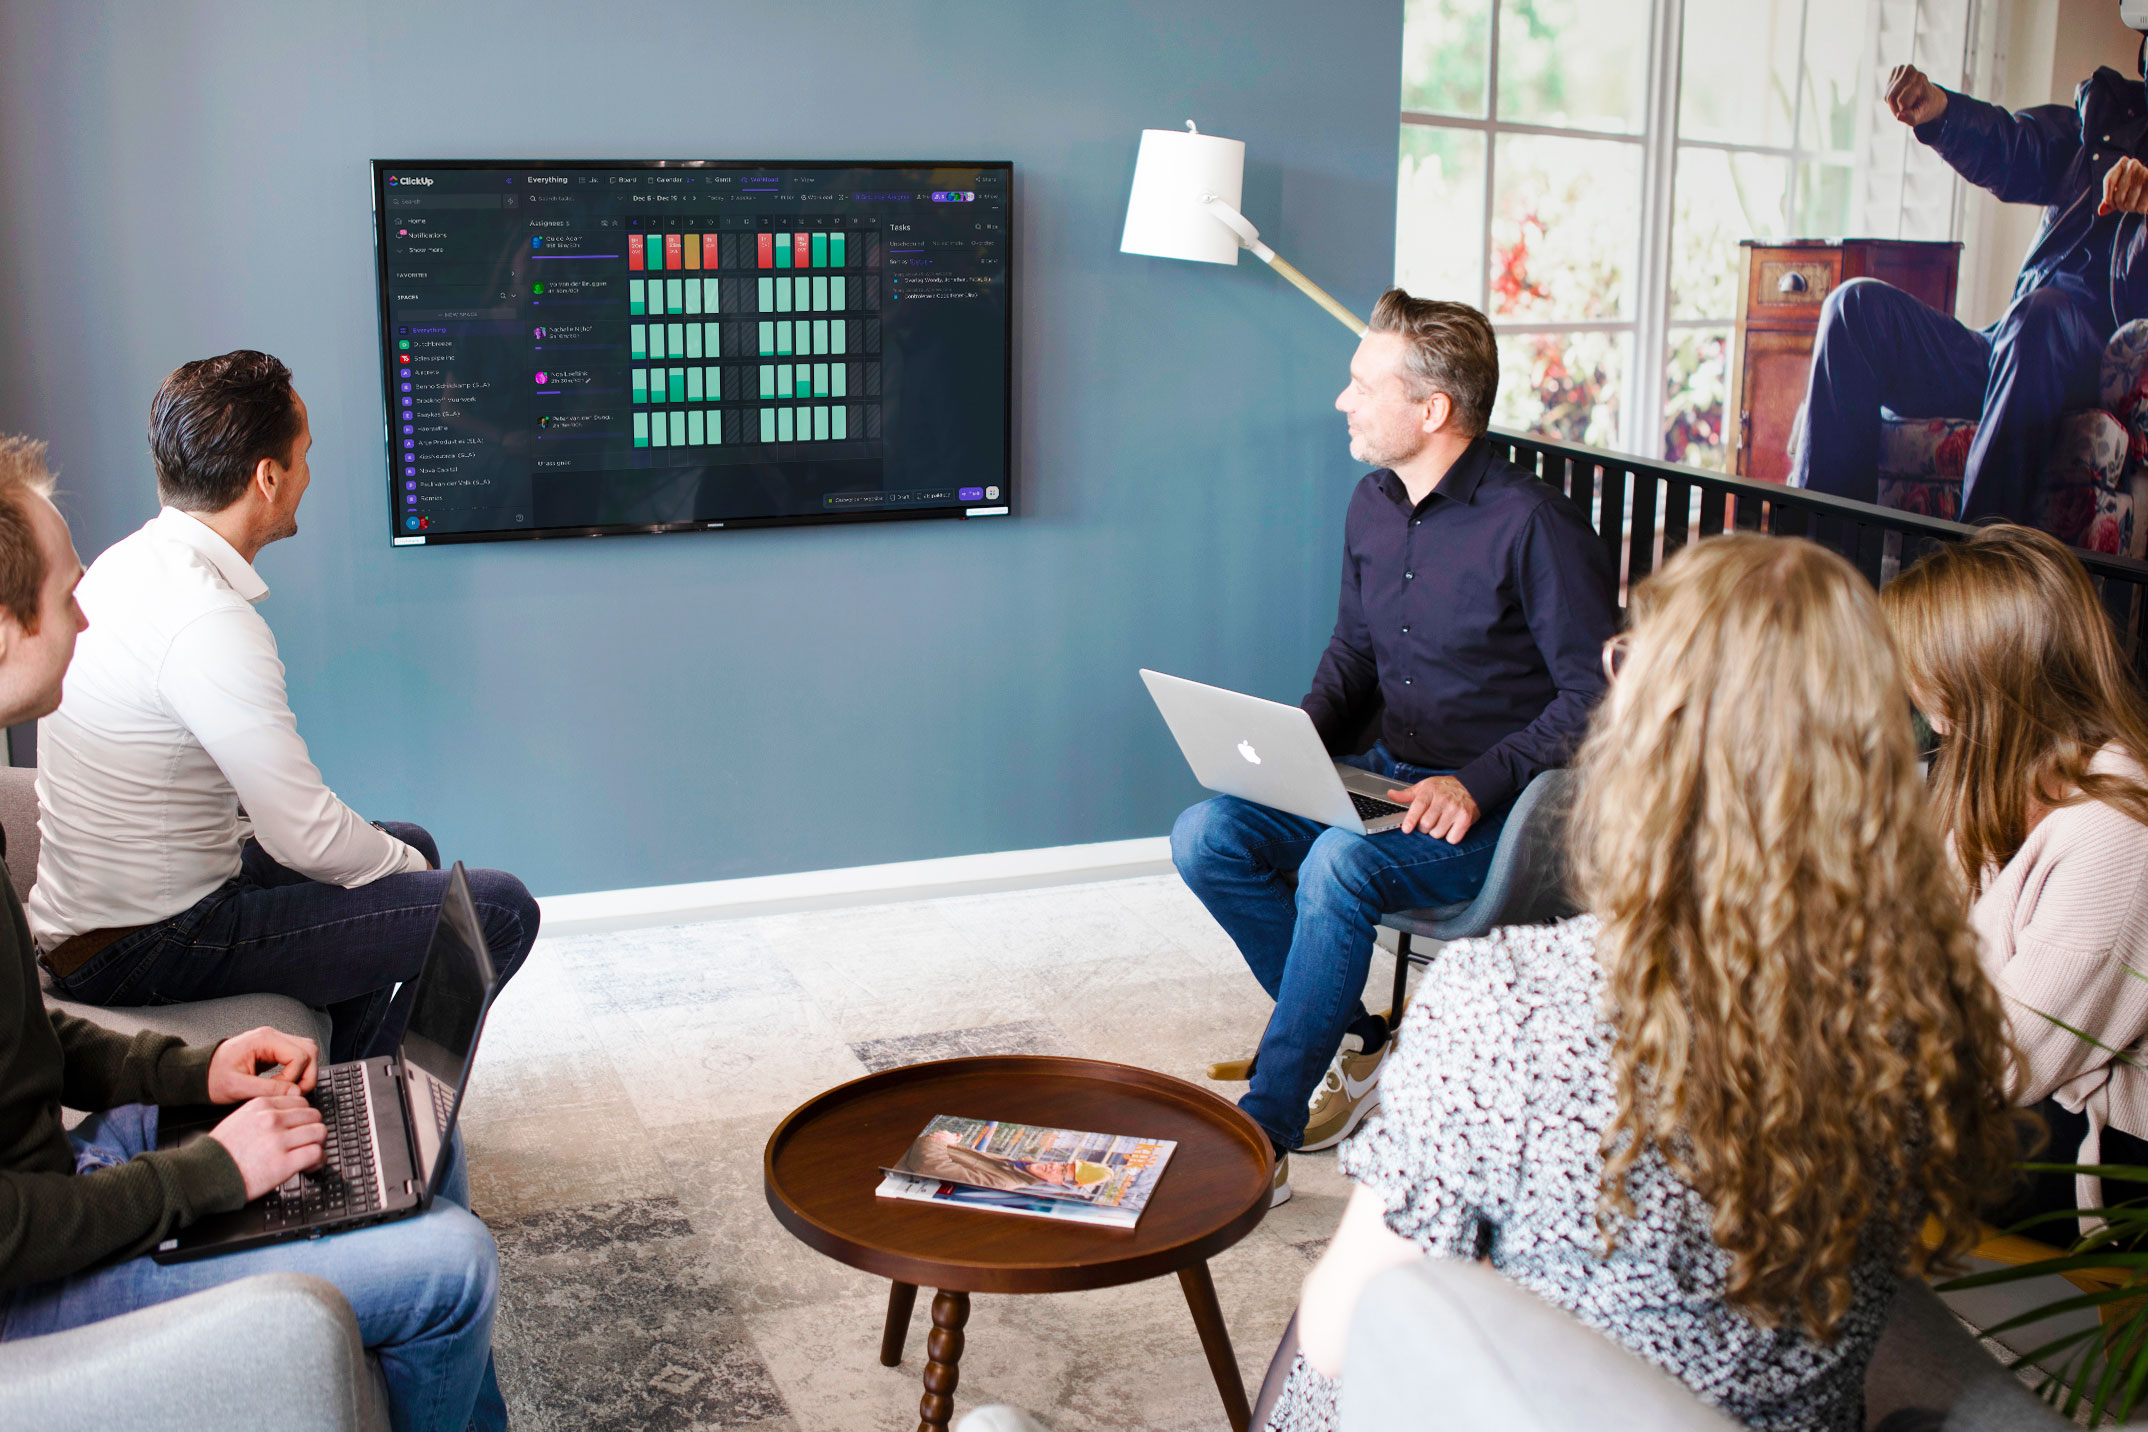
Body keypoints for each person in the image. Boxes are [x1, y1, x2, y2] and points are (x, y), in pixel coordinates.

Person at [1263, 534, 2018, 1432]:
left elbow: (1346, 1333)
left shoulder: (1512, 1003)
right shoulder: (1927, 1007)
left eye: (1626, 660)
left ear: (1652, 735)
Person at [0, 434, 505, 1432]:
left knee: (406, 1139)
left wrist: (197, 1071)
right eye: (64, 595)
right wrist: (211, 1169)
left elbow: (30, 1037)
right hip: (36, 1277)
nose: (85, 614)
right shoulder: (200, 617)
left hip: (65, 1177)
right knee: (458, 1263)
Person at [1170, 292, 1617, 1193]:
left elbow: (1596, 692)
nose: (1343, 400)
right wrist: (1293, 747)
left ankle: (1267, 1129)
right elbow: (1355, 656)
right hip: (1388, 780)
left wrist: (1475, 783)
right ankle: (1361, 1042)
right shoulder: (1373, 504)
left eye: (1362, 384)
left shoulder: (1535, 523)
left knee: (1340, 866)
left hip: (1502, 812)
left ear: (1433, 410)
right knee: (1206, 835)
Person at [27, 351, 538, 1064]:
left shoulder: (129, 563)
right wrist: (413, 880)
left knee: (410, 842)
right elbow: (305, 836)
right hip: (146, 944)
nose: (306, 476)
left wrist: (400, 862)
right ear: (268, 478)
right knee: (495, 911)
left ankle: (343, 1083)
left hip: (111, 918)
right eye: (303, 458)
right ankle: (390, 1114)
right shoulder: (204, 618)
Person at [1883, 523, 2148, 1226]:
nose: (1907, 683)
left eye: (1919, 662)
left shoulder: (2116, 830)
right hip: (1996, 1086)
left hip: (2086, 1147)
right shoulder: (1995, 776)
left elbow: (2000, 1064)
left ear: (1982, 674)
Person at [1793, 13, 2148, 523]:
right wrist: (1941, 112)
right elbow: (2018, 145)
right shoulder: (2111, 112)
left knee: (2041, 316)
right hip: (2011, 350)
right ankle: (1823, 573)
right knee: (1853, 309)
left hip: (2087, 360)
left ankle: (1970, 572)